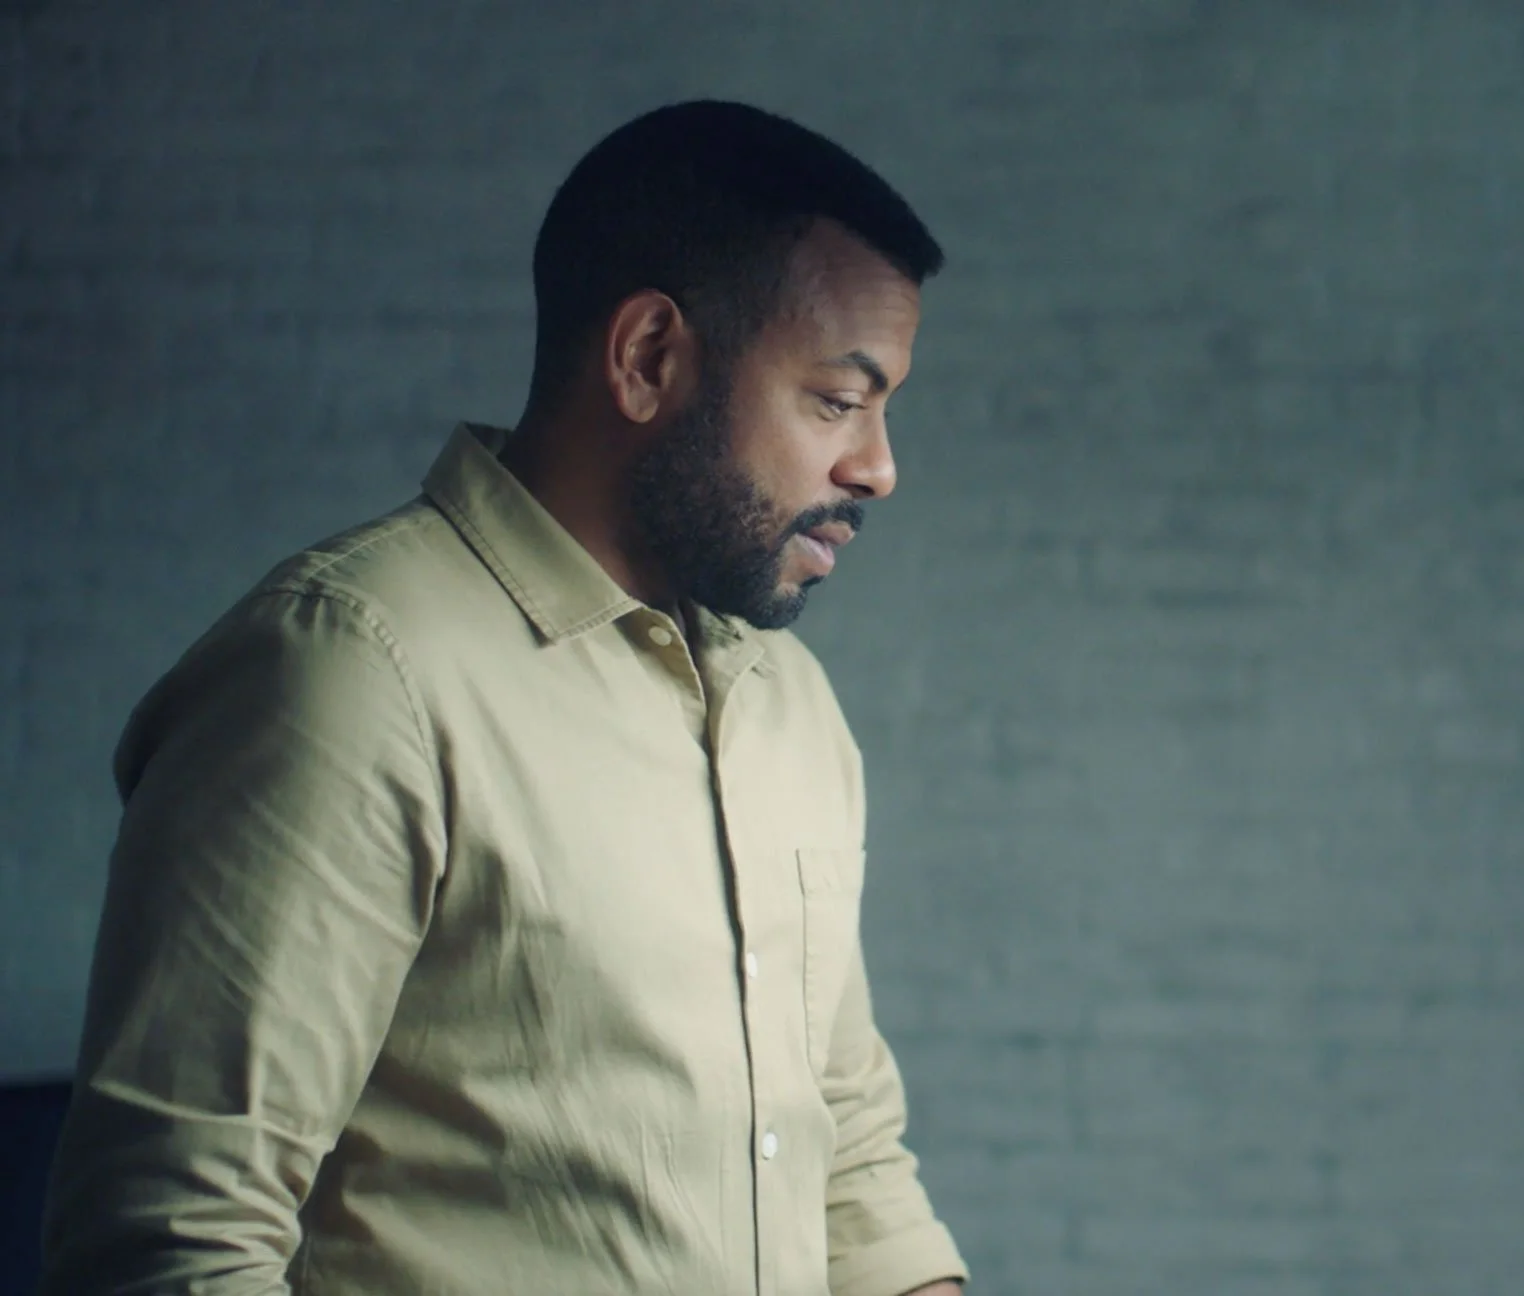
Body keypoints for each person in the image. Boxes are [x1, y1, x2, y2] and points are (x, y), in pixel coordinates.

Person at [38, 100, 968, 1296]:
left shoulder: (787, 703)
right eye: (839, 402)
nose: (878, 468)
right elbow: (174, 1241)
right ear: (647, 360)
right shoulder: (349, 672)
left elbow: (851, 1165)